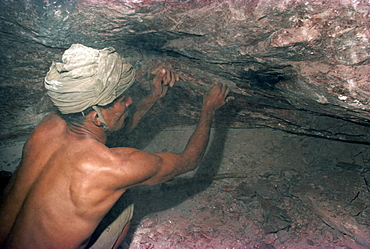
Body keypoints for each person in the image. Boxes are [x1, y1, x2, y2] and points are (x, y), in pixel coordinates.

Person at [0, 44, 230, 249]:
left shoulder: (48, 125)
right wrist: (208, 110)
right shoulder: (114, 168)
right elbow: (189, 160)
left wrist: (152, 97)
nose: (130, 101)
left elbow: (108, 131)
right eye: (122, 99)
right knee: (124, 204)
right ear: (96, 117)